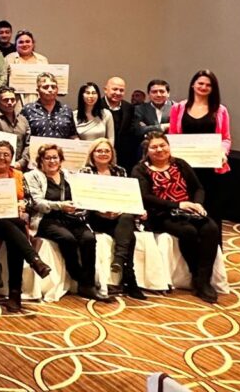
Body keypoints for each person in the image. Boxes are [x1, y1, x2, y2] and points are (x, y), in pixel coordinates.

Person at [133, 132, 220, 303]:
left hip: (188, 210)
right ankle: (196, 276)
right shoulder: (140, 169)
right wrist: (178, 205)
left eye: (162, 145)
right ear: (147, 151)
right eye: (154, 147)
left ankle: (204, 279)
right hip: (160, 214)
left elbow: (198, 188)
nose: (159, 150)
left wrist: (197, 204)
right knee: (188, 232)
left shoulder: (180, 164)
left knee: (211, 229)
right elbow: (145, 197)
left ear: (168, 146)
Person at [25, 143, 109, 302]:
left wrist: (80, 205)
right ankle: (81, 279)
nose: (52, 161)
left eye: (55, 157)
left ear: (61, 160)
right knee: (67, 239)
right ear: (41, 160)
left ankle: (88, 285)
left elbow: (81, 196)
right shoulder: (32, 176)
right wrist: (60, 206)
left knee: (89, 238)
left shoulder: (69, 175)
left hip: (71, 217)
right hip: (47, 219)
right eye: (47, 158)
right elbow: (37, 203)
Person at [0, 141, 51, 312]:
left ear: (11, 158)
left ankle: (16, 293)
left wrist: (23, 205)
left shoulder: (18, 175)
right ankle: (33, 263)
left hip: (13, 221)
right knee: (8, 224)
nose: (2, 158)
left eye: (6, 155)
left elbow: (29, 201)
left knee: (13, 234)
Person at [80, 138, 146, 299]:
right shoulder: (85, 172)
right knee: (129, 237)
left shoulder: (120, 171)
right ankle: (129, 278)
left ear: (112, 154)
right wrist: (101, 211)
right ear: (92, 154)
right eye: (99, 151)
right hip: (95, 217)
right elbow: (83, 199)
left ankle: (120, 261)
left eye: (107, 151)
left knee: (127, 218)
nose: (103, 153)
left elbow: (127, 196)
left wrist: (126, 209)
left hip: (118, 217)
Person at [168, 70, 231, 228]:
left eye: (208, 85)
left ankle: (211, 243)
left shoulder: (220, 110)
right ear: (193, 85)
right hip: (184, 168)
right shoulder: (178, 108)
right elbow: (172, 135)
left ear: (213, 88)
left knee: (210, 209)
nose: (203, 87)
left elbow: (226, 138)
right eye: (200, 83)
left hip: (210, 168)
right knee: (186, 208)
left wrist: (223, 152)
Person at [0, 86, 30, 170]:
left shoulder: (23, 119)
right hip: (0, 166)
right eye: (5, 100)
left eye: (12, 99)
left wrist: (21, 162)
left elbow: (28, 144)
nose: (10, 102)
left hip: (20, 167)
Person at [22, 73, 78, 140]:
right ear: (38, 90)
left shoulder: (66, 110)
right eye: (45, 87)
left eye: (53, 87)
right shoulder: (28, 109)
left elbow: (73, 135)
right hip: (37, 146)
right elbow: (21, 134)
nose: (50, 90)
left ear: (57, 89)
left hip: (61, 146)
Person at [104, 76, 138, 171]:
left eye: (121, 90)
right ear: (105, 90)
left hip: (124, 158)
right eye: (114, 89)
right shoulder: (97, 106)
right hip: (102, 154)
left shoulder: (129, 108)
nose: (118, 93)